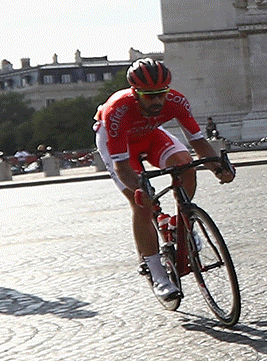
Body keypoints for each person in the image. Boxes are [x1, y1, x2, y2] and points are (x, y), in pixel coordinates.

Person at [95, 59, 236, 305]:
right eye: (149, 96)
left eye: (161, 94)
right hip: (119, 145)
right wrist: (140, 187)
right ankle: (157, 273)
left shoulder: (176, 101)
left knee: (184, 164)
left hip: (150, 136)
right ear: (135, 93)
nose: (157, 102)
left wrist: (217, 166)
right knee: (140, 203)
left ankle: (179, 222)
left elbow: (199, 143)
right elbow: (122, 167)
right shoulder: (117, 110)